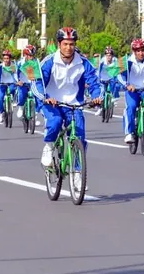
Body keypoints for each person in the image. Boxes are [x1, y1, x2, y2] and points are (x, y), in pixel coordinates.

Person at [32, 28, 102, 191]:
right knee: (55, 122)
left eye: (71, 44)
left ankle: (77, 175)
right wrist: (44, 97)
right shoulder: (49, 61)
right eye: (65, 44)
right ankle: (49, 147)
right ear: (59, 44)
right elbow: (37, 83)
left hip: (74, 104)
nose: (68, 48)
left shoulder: (83, 62)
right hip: (52, 102)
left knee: (80, 137)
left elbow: (94, 82)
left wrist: (97, 96)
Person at [0, 50, 18, 123]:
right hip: (2, 83)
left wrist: (17, 81)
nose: (6, 60)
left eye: (7, 58)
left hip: (11, 83)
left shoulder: (13, 66)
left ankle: (12, 100)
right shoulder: (1, 66)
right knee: (0, 98)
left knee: (13, 89)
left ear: (10, 59)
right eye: (4, 58)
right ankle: (1, 114)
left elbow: (15, 75)